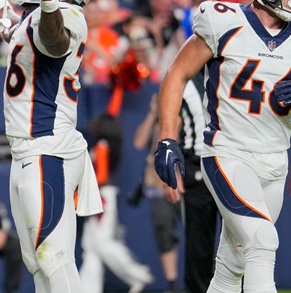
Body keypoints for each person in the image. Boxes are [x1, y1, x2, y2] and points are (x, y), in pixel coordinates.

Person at [154, 0, 291, 292]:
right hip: (228, 154)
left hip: (274, 160)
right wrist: (166, 136)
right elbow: (175, 74)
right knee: (262, 242)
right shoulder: (223, 21)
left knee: (232, 265)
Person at [0, 0, 102, 292]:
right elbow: (15, 34)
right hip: (30, 151)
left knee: (54, 255)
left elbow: (55, 41)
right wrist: (1, 7)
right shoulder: (36, 17)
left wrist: (49, 5)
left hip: (49, 148)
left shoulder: (68, 17)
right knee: (37, 261)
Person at [78, 112, 153, 293]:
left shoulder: (102, 146)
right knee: (91, 247)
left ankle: (138, 274)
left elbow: (102, 176)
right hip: (99, 195)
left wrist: (86, 187)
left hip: (100, 197)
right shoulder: (106, 145)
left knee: (103, 243)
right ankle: (88, 289)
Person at [162, 73, 219, 293]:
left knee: (237, 243)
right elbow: (172, 121)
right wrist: (172, 167)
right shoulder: (183, 77)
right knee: (198, 246)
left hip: (231, 163)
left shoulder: (228, 64)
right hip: (196, 166)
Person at [132, 93, 183, 293]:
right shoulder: (154, 123)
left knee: (196, 227)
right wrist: (153, 114)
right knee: (163, 231)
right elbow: (138, 142)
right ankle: (172, 284)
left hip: (184, 184)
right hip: (158, 185)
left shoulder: (181, 117)